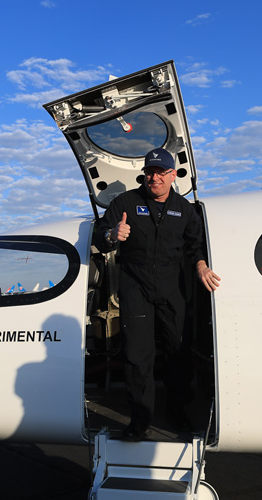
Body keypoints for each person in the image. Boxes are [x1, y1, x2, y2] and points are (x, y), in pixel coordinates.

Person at [94, 148, 221, 441]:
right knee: (138, 356)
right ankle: (140, 420)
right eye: (150, 172)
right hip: (134, 286)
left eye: (161, 173)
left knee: (178, 351)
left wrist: (201, 265)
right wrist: (113, 235)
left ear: (172, 176)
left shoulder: (185, 209)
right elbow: (102, 236)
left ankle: (178, 411)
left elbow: (196, 245)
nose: (154, 178)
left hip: (172, 287)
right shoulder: (125, 202)